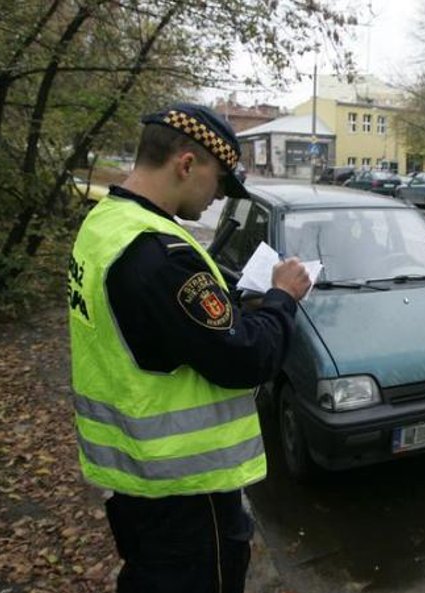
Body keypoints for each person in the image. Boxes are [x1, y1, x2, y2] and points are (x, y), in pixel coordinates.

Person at [67, 103, 311, 593]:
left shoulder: (107, 224)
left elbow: (164, 328)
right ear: (185, 164)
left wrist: (229, 302)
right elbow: (248, 358)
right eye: (218, 181)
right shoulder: (158, 254)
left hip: (141, 483)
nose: (218, 196)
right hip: (186, 496)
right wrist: (282, 297)